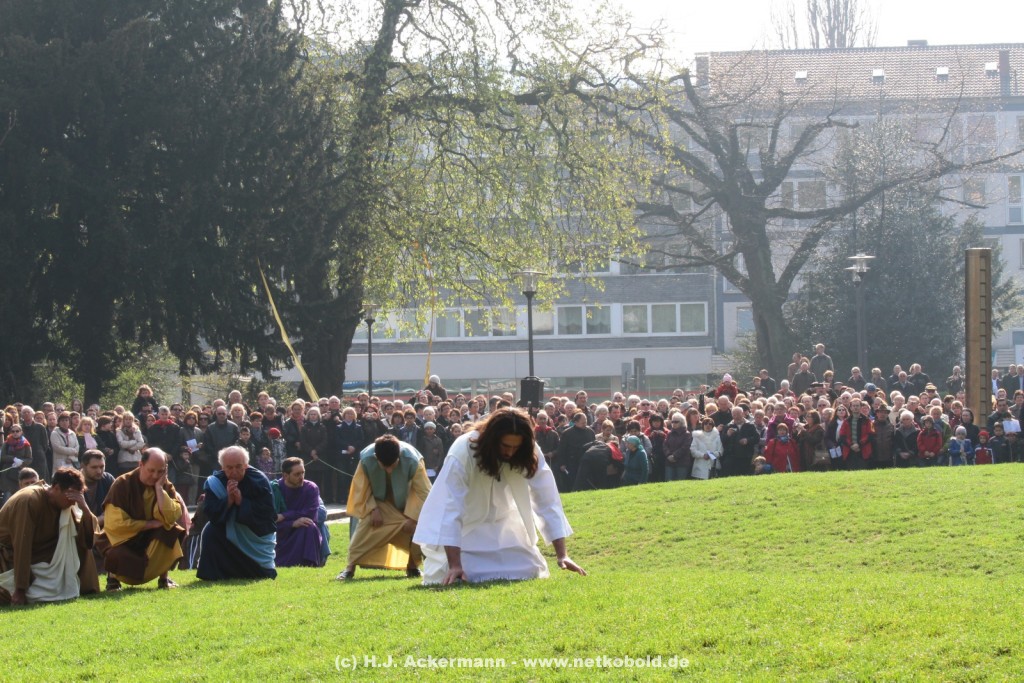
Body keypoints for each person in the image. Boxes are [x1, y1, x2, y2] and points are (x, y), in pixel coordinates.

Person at [413, 408, 586, 585]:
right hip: (466, 531)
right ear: (492, 439)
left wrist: (562, 555)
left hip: (506, 528)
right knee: (468, 573)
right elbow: (450, 507)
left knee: (531, 569)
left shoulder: (529, 450)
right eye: (505, 446)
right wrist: (455, 565)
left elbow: (546, 498)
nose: (510, 453)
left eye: (515, 448)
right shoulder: (463, 450)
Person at [336, 435, 431, 580]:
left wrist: (413, 517)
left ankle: (413, 567)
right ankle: (350, 568)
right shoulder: (366, 459)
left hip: (407, 505)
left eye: (393, 465)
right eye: (384, 466)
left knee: (417, 529)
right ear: (376, 457)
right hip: (377, 504)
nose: (389, 470)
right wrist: (373, 509)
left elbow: (423, 492)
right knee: (365, 528)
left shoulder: (413, 460)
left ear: (399, 456)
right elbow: (360, 488)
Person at [0, 467, 99, 605]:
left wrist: (85, 510)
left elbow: (87, 540)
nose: (73, 502)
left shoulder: (66, 504)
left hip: (45, 554)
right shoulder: (29, 499)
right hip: (11, 556)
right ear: (56, 488)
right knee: (6, 595)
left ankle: (86, 588)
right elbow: (22, 543)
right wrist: (20, 589)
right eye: (70, 497)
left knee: (76, 539)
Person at [96, 449, 186, 591]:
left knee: (170, 531)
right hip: (125, 537)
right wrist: (148, 524)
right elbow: (115, 524)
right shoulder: (122, 484)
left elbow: (172, 516)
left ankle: (164, 578)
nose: (155, 476)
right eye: (151, 470)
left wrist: (159, 489)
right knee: (116, 552)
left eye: (160, 471)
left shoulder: (165, 484)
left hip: (150, 537)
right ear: (141, 464)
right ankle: (113, 579)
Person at [196, 445, 277, 580]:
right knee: (210, 531)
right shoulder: (215, 482)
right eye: (229, 467)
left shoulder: (259, 480)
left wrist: (241, 502)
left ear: (246, 465)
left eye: (238, 466)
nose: (234, 471)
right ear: (222, 467)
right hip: (226, 530)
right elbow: (211, 512)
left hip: (254, 534)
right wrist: (228, 501)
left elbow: (268, 513)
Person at [272, 457, 328, 568]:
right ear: (285, 475)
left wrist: (284, 515)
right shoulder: (274, 489)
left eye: (303, 473)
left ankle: (310, 564)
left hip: (302, 527)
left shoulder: (311, 488)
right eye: (297, 474)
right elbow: (271, 519)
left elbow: (311, 514)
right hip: (282, 531)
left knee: (309, 525)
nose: (301, 477)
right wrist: (292, 523)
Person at [1, 423, 33, 501]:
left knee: (18, 499)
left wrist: (21, 462)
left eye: (17, 431)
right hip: (7, 474)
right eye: (13, 431)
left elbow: (29, 459)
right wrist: (13, 459)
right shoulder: (7, 443)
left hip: (19, 474)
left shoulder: (26, 444)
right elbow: (2, 457)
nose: (15, 433)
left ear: (21, 432)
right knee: (7, 498)